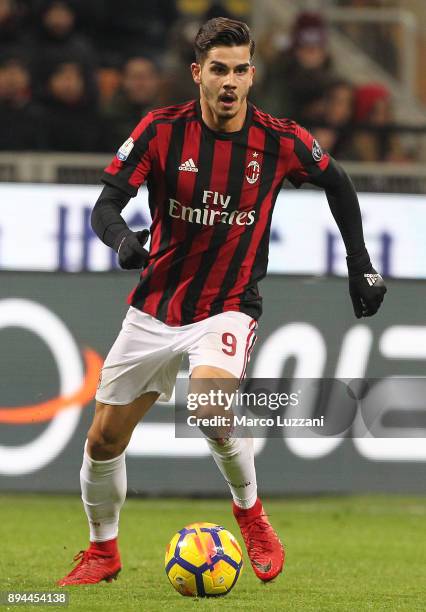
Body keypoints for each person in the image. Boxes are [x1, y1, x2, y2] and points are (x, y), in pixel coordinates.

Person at [57, 17, 387, 587]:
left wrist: (360, 262)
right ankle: (102, 553)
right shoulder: (161, 131)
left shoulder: (279, 139)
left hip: (229, 302)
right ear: (197, 74)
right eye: (219, 70)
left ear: (252, 75)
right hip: (156, 304)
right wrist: (123, 239)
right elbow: (106, 204)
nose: (230, 81)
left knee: (210, 405)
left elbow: (338, 182)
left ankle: (251, 516)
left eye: (240, 70)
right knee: (103, 438)